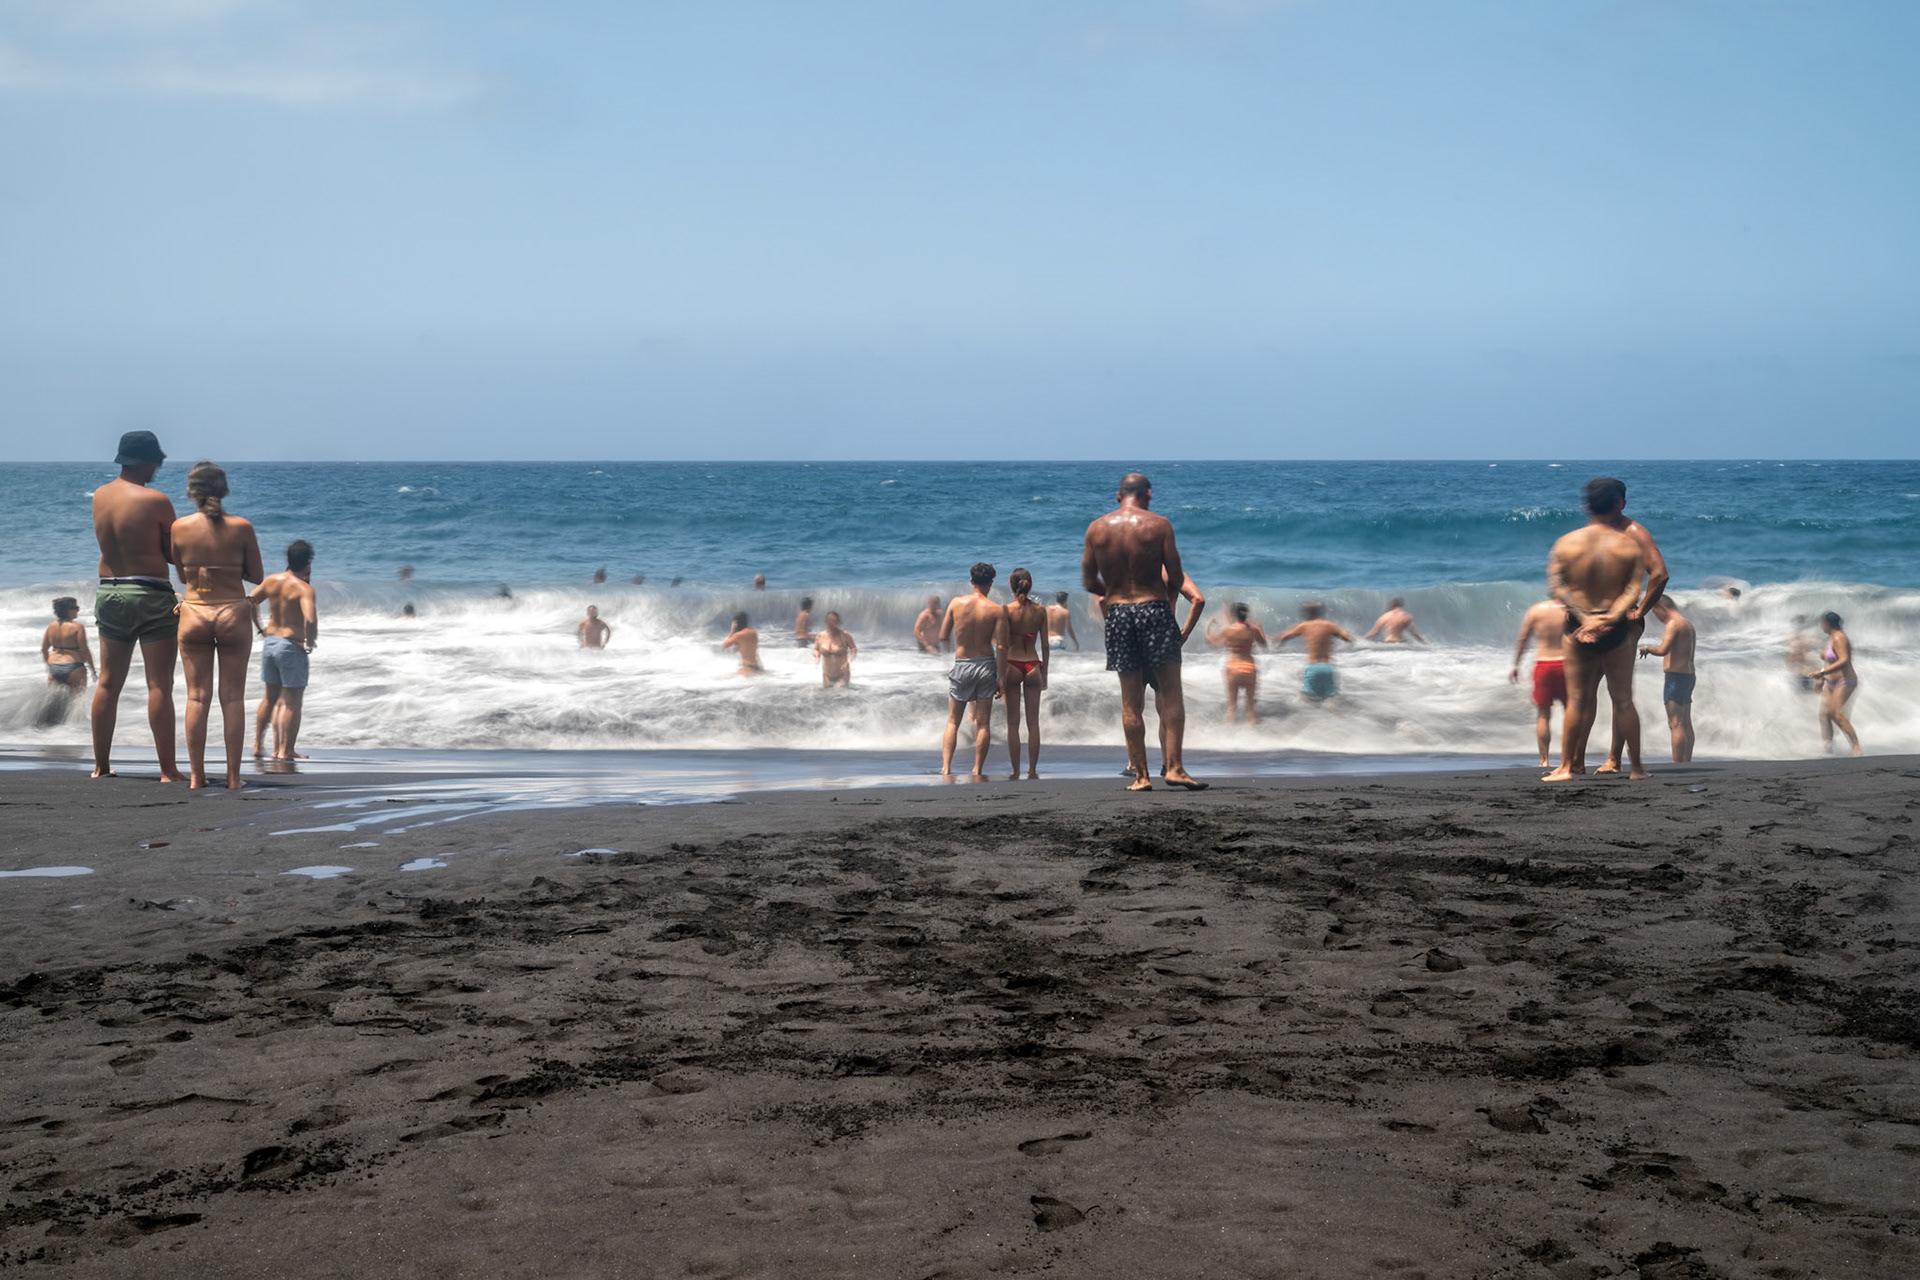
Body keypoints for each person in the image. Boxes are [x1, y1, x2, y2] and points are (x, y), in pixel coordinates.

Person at [1080, 473, 1205, 791]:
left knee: (1130, 702)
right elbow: (1175, 578)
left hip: (1119, 613)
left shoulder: (1096, 528)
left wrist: (1114, 590)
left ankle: (1141, 776)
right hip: (1155, 610)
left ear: (1117, 496)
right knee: (1171, 692)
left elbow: (1088, 582)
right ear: (1147, 495)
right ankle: (1175, 768)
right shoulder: (1159, 525)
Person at [90, 430, 184, 782]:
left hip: (109, 591)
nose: (158, 467)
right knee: (159, 685)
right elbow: (173, 556)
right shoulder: (156, 501)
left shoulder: (100, 496)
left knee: (108, 683)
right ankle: (167, 770)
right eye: (156, 461)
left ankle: (100, 766)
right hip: (149, 593)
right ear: (145, 460)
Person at [1543, 479, 1650, 781]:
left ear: (1586, 506)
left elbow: (1557, 588)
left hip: (1578, 627)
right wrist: (1609, 617)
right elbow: (1633, 589)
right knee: (1623, 699)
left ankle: (1565, 767)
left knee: (1577, 699)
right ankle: (1638, 768)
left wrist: (1586, 617)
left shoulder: (1565, 543)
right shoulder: (1629, 545)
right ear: (1621, 505)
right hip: (1616, 628)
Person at [170, 462, 264, 790]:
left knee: (197, 697)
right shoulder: (242, 527)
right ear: (224, 489)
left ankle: (196, 777)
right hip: (233, 613)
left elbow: (183, 577)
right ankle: (235, 778)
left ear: (191, 491)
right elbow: (257, 576)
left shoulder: (179, 527)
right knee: (232, 697)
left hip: (194, 613)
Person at [1595, 478, 1670, 775]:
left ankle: (1615, 759)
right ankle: (1574, 760)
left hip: (1623, 624)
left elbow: (1660, 575)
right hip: (1593, 621)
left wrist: (1640, 610)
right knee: (1585, 691)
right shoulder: (1596, 534)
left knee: (1618, 693)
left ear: (1622, 503)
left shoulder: (1634, 532)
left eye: (1612, 502)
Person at [939, 562, 1009, 778]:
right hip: (986, 664)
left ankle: (947, 768)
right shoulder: (996, 609)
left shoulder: (956, 603)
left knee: (953, 721)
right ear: (991, 583)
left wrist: (954, 652)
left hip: (962, 663)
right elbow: (1002, 646)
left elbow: (942, 636)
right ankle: (977, 769)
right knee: (984, 723)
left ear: (971, 581)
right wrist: (1001, 677)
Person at [250, 540, 318, 762]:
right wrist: (310, 641)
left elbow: (250, 601)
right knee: (292, 701)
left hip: (270, 642)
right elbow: (309, 619)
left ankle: (258, 745)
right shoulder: (304, 589)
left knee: (269, 698)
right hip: (290, 645)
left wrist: (260, 627)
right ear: (307, 562)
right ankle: (286, 751)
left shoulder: (272, 581)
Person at [1001, 568, 1050, 778]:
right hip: (1032, 665)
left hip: (1012, 664)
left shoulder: (1006, 610)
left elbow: (1002, 645)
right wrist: (1045, 672)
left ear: (1012, 586)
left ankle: (1015, 771)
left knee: (1013, 723)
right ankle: (1032, 770)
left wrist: (999, 676)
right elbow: (1046, 645)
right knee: (1033, 723)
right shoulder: (1040, 611)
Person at [1510, 599, 1569, 768]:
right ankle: (1568, 759)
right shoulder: (1571, 610)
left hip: (1544, 665)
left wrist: (1516, 665)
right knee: (1570, 714)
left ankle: (1544, 761)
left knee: (1543, 715)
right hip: (1566, 664)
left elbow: (1523, 639)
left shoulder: (1536, 610)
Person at [1637, 596, 1697, 763]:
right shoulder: (1688, 624)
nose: (1658, 618)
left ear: (1661, 607)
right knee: (1686, 722)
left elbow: (1663, 649)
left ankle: (1677, 763)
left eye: (1656, 613)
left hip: (1675, 677)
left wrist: (1647, 649)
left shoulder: (1673, 624)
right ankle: (1686, 761)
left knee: (1675, 723)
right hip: (1689, 676)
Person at [1275, 603, 1353, 703]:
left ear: (1307, 614)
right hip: (1327, 667)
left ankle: (1301, 717)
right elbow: (1347, 638)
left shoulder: (1304, 626)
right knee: (1330, 700)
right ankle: (1337, 716)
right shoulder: (1329, 625)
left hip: (1313, 667)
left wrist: (1279, 642)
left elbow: (1284, 636)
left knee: (1304, 699)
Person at [1808, 611, 1861, 756]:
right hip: (1830, 682)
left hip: (1845, 680)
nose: (1821, 626)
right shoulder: (1830, 639)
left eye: (1822, 623)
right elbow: (1829, 660)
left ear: (1827, 623)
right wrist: (1822, 679)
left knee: (1836, 715)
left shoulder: (1840, 638)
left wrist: (1822, 672)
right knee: (1824, 715)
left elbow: (1844, 660)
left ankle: (1856, 747)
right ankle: (1828, 748)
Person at [1211, 602, 1268, 723]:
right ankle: (1255, 735)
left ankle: (1230, 736)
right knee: (1251, 707)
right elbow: (1264, 644)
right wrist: (1260, 628)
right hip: (1249, 667)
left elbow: (1214, 643)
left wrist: (1208, 627)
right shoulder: (1254, 629)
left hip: (1233, 667)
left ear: (1234, 615)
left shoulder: (1227, 629)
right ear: (1246, 615)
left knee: (1232, 707)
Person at [42, 597, 94, 692]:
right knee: (76, 702)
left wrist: (50, 666)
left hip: (54, 667)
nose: (78, 610)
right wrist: (92, 669)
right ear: (68, 610)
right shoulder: (78, 627)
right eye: (76, 608)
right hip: (74, 667)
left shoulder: (51, 627)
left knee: (54, 704)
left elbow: (44, 650)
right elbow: (85, 650)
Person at [813, 611, 856, 687]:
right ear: (826, 621)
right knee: (825, 696)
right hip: (827, 674)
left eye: (834, 621)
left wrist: (849, 660)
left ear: (838, 622)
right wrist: (817, 657)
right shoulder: (820, 636)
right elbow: (816, 649)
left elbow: (853, 649)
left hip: (842, 674)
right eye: (829, 621)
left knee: (840, 695)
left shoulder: (845, 635)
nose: (831, 623)